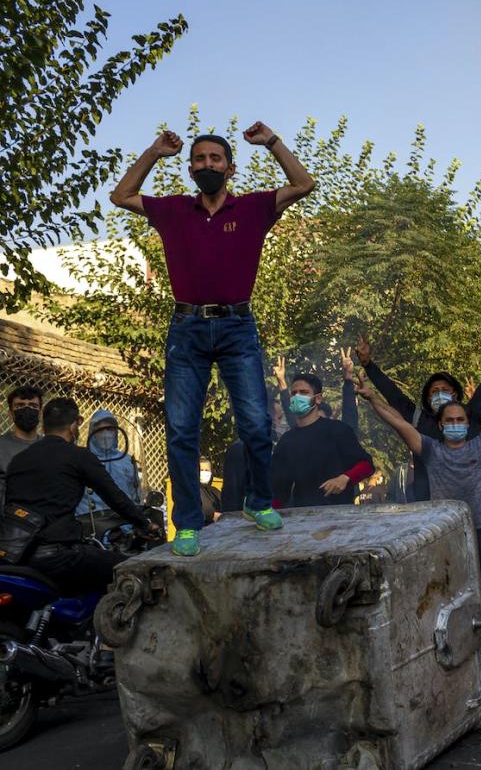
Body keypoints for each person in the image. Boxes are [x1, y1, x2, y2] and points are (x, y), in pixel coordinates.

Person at [110, 124, 315, 555]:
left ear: (230, 168)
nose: (207, 165)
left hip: (238, 326)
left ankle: (258, 502)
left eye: (215, 159)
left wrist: (273, 142)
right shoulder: (172, 210)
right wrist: (153, 152)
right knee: (182, 429)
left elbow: (304, 183)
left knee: (257, 424)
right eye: (199, 160)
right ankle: (187, 523)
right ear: (190, 168)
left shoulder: (255, 208)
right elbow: (121, 195)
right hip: (187, 329)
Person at [357, 372, 481, 680]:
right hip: (446, 534)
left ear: (467, 423)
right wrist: (372, 397)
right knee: (445, 596)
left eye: (461, 419)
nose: (456, 423)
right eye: (451, 420)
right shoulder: (431, 450)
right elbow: (399, 422)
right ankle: (448, 653)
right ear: (441, 425)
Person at [0, 398, 160, 593]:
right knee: (137, 570)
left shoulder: (18, 460)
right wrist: (145, 523)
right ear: (75, 425)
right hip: (60, 556)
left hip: (17, 556)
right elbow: (115, 497)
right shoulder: (78, 456)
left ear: (44, 425)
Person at [353, 325, 481, 503]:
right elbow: (393, 394)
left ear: (454, 394)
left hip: (469, 506)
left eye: (444, 390)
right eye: (434, 391)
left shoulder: (470, 416)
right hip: (428, 506)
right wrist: (368, 364)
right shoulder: (417, 418)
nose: (440, 394)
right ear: (428, 397)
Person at [271, 374, 375, 507]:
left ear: (318, 398)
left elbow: (367, 465)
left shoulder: (337, 430)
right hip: (303, 517)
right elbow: (279, 492)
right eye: (294, 393)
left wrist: (345, 478)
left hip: (340, 516)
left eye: (304, 392)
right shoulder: (286, 441)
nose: (297, 397)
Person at [77, 410, 143, 517]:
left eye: (110, 429)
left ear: (116, 432)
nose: (105, 434)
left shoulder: (128, 461)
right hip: (93, 525)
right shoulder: (82, 460)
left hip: (124, 524)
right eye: (100, 430)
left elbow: (136, 495)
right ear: (92, 432)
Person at [0, 386, 42, 505]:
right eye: (20, 405)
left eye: (33, 406)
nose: (27, 409)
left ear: (41, 413)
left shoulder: (50, 447)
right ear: (10, 414)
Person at [199, 456, 222, 525]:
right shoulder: (193, 490)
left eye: (207, 470)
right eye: (201, 470)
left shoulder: (215, 491)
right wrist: (212, 515)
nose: (204, 472)